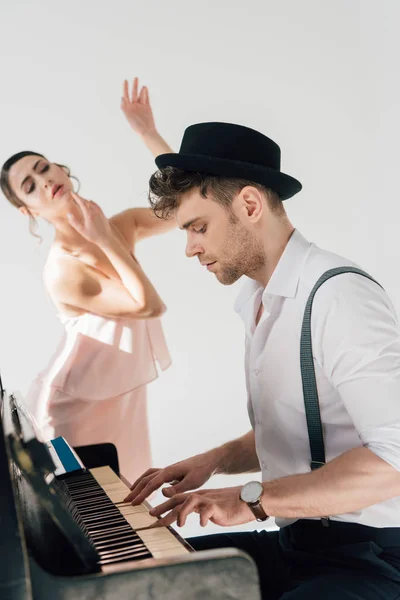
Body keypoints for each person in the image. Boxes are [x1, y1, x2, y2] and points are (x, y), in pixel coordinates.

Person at [124, 122, 400, 599]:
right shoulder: (260, 299)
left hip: (373, 559)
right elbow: (309, 425)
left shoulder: (338, 296)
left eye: (198, 226)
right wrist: (214, 461)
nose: (190, 248)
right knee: (147, 582)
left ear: (249, 205)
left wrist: (250, 501)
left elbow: (393, 459)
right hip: (302, 543)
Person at [0, 78, 175, 483]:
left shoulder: (122, 224)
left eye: (44, 167)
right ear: (29, 211)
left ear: (61, 168)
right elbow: (150, 305)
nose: (45, 181)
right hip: (73, 411)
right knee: (102, 522)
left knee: (135, 508)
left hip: (123, 400)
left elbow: (187, 201)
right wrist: (104, 239)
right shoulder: (63, 269)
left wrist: (148, 132)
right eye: (30, 186)